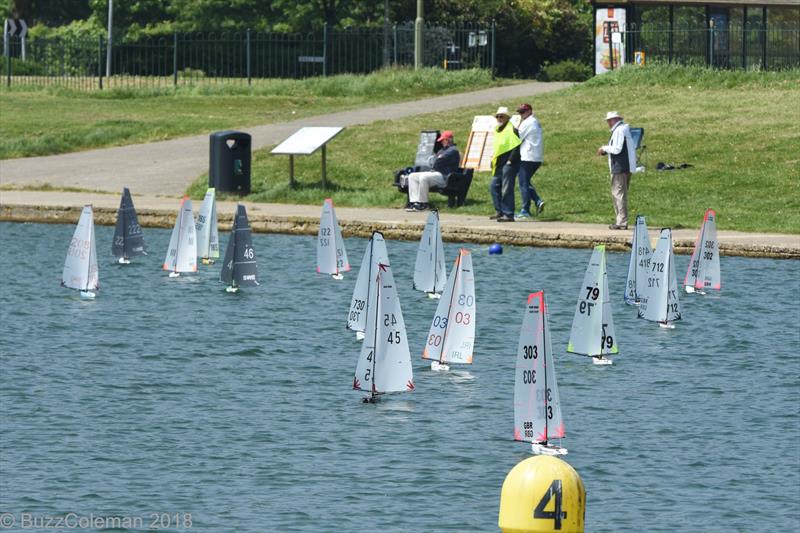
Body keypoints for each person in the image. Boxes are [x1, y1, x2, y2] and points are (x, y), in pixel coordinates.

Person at [597, 111, 637, 230]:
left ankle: (621, 222)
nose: (608, 123)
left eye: (609, 121)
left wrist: (604, 148)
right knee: (621, 194)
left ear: (614, 120)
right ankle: (621, 220)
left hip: (619, 167)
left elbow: (617, 149)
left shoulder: (619, 130)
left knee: (618, 194)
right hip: (626, 166)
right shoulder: (623, 129)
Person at [405, 130, 461, 212]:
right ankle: (414, 202)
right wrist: (436, 160)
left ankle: (423, 204)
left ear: (447, 140)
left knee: (424, 177)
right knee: (412, 176)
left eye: (443, 140)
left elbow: (437, 162)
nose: (441, 142)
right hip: (435, 173)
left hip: (445, 176)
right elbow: (434, 161)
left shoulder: (453, 151)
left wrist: (436, 160)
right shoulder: (442, 150)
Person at [489, 106, 521, 222]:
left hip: (509, 164)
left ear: (507, 117)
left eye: (501, 116)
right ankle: (499, 211)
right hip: (498, 164)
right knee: (493, 187)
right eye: (497, 116)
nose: (499, 118)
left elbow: (517, 146)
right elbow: (498, 147)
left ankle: (508, 214)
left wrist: (510, 160)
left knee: (507, 189)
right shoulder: (497, 130)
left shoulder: (512, 129)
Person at [514, 103, 544, 220]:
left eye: (523, 112)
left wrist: (512, 128)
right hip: (536, 157)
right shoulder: (535, 122)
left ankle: (525, 210)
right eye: (520, 112)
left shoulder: (528, 122)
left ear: (530, 111)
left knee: (523, 183)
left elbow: (517, 137)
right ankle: (537, 201)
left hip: (528, 157)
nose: (521, 114)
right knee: (525, 182)